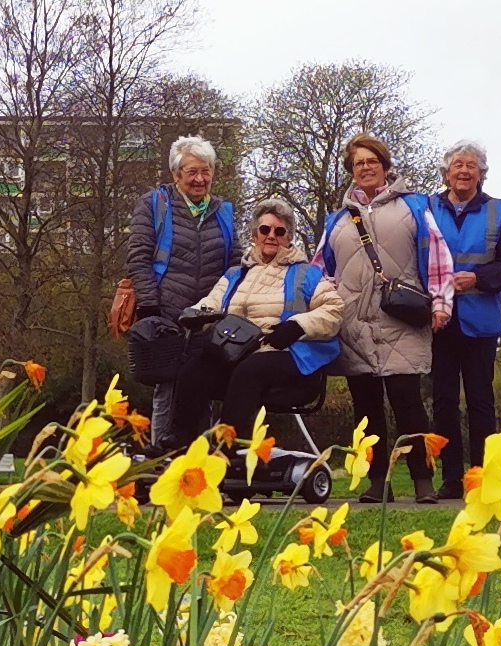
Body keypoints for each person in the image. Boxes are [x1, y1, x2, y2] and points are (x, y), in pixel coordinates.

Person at [316, 133, 455, 504]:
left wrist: (441, 303)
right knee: (366, 411)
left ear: (385, 166)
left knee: (408, 403)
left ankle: (422, 479)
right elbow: (320, 273)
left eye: (372, 161)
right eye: (359, 163)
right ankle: (377, 481)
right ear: (351, 170)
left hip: (402, 320)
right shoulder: (337, 221)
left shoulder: (414, 207)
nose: (366, 168)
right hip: (354, 326)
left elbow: (438, 257)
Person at [170, 198, 343, 448]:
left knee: (250, 370)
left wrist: (298, 326)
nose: (271, 236)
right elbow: (211, 302)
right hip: (237, 351)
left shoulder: (306, 274)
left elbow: (334, 309)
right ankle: (180, 443)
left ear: (288, 238)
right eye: (265, 230)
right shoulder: (236, 275)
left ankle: (224, 447)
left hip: (284, 352)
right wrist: (195, 314)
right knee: (195, 368)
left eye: (279, 231)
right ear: (255, 235)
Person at [126, 136, 240, 450]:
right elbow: (138, 256)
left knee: (202, 385)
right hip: (166, 310)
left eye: (206, 171)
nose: (200, 178)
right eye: (192, 172)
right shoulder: (154, 205)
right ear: (177, 175)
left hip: (209, 315)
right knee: (167, 388)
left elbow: (234, 262)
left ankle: (199, 458)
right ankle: (161, 459)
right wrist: (149, 306)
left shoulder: (223, 212)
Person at [428, 141, 501, 500]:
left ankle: (483, 475)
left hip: (478, 320)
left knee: (481, 400)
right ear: (446, 173)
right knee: (442, 401)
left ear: (482, 174)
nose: (464, 171)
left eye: (472, 165)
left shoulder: (498, 213)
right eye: (458, 165)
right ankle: (452, 477)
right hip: (438, 319)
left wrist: (479, 278)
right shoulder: (427, 209)